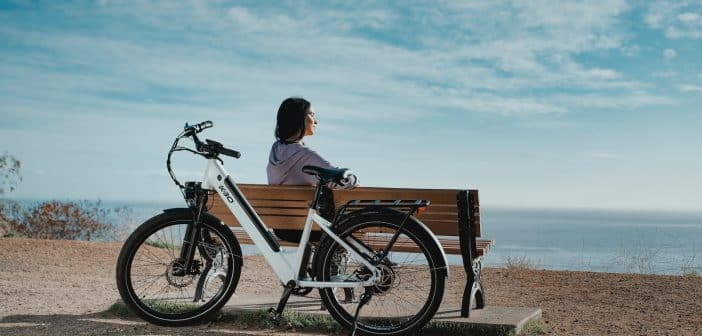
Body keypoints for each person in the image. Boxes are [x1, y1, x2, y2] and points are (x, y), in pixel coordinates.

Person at [267, 97, 359, 242]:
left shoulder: (275, 150)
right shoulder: (305, 155)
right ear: (298, 119)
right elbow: (339, 181)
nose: (316, 121)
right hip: (309, 228)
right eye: (312, 115)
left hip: (281, 228)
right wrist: (354, 178)